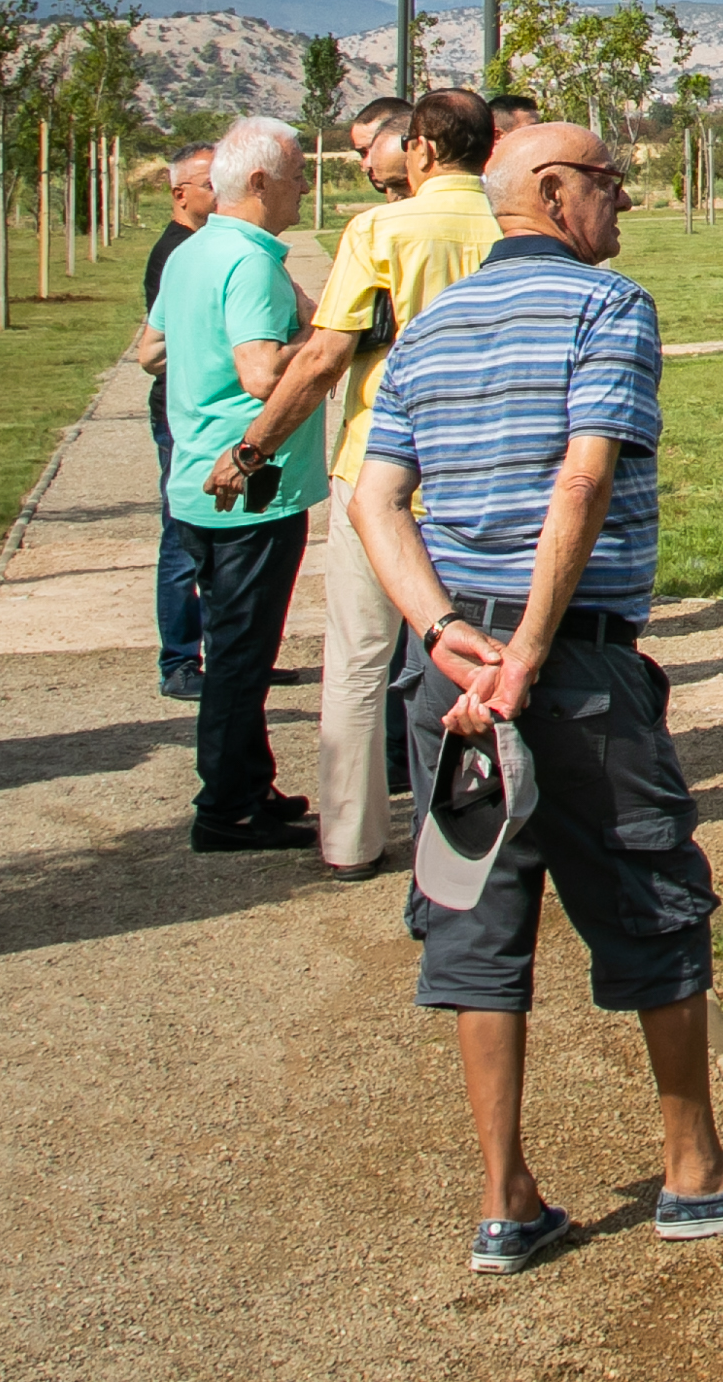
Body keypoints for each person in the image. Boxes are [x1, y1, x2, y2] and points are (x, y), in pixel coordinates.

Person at [345, 119, 723, 1273]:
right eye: (610, 182)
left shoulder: (429, 327)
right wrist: (526, 651)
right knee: (654, 894)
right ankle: (697, 1174)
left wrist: (447, 635)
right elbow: (584, 474)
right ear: (555, 192)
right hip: (570, 667)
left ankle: (506, 1202)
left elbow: (373, 502)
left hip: (449, 676)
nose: (625, 201)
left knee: (473, 914)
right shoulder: (609, 310)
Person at [221, 87, 499, 872]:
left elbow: (323, 358)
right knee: (483, 649)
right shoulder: (511, 226)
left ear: (422, 149)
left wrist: (253, 447)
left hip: (382, 465)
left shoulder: (379, 231)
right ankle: (488, 821)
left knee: (357, 657)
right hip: (485, 467)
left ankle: (351, 836)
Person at [164, 117, 328, 843]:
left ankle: (250, 783)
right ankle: (226, 807)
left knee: (235, 641)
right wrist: (321, 341)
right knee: (241, 654)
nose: (304, 189)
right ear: (259, 181)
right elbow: (262, 375)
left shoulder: (191, 252)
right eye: (297, 177)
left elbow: (152, 349)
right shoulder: (251, 263)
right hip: (251, 486)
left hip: (195, 474)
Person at [136, 143, 216, 699]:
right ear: (179, 193)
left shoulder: (208, 245)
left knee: (221, 541)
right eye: (210, 183)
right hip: (180, 412)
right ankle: (180, 660)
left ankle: (228, 652)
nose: (221, 192)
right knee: (183, 537)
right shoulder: (177, 253)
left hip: (203, 409)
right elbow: (162, 346)